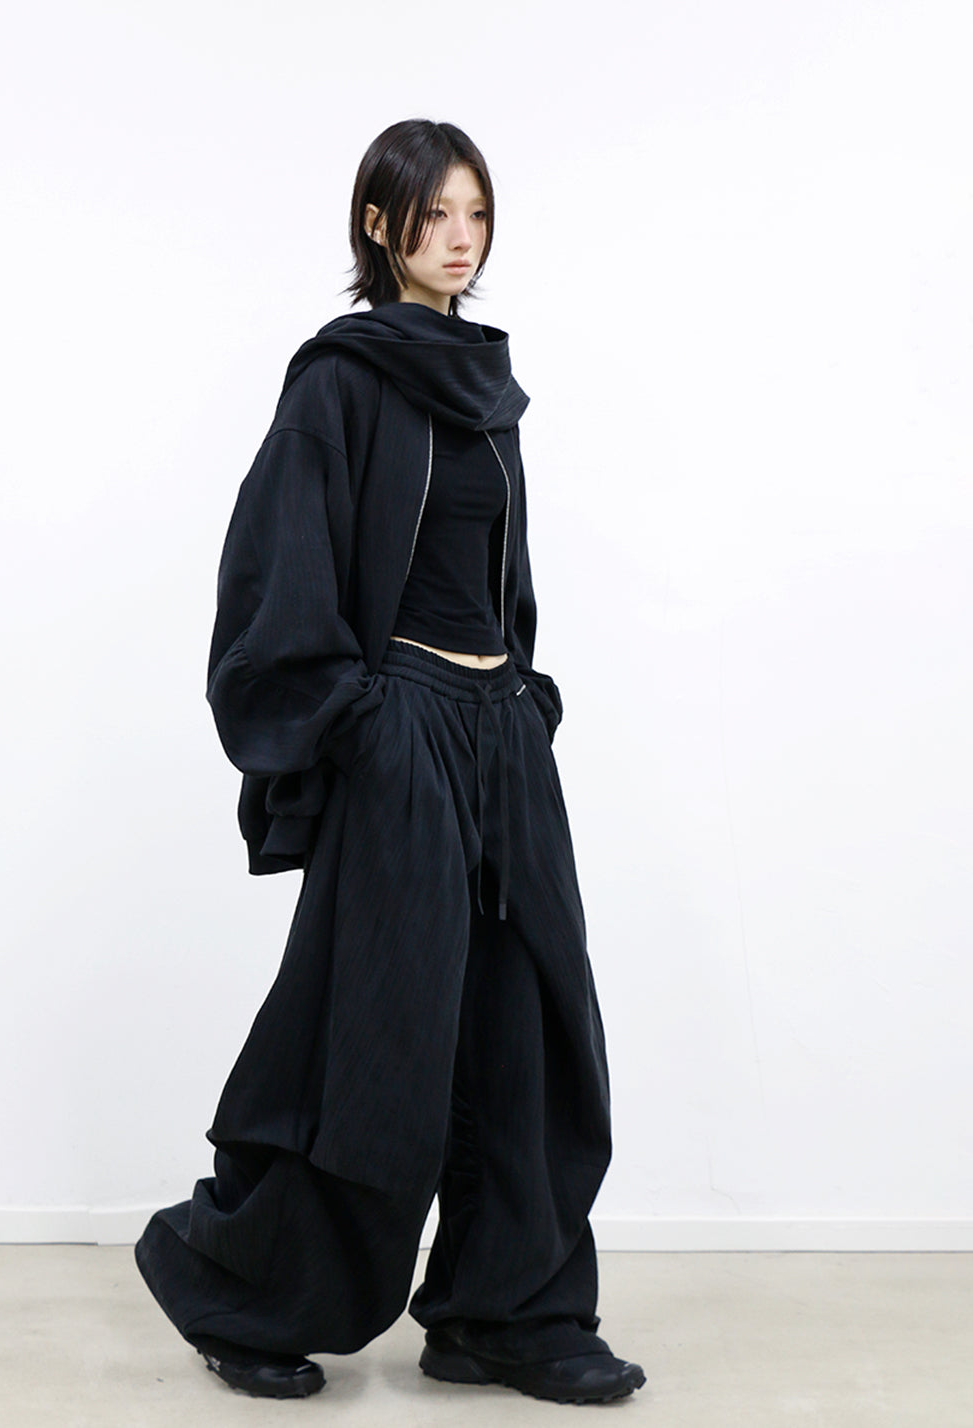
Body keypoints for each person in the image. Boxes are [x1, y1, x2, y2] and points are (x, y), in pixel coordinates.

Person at [134, 117, 647, 1406]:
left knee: (535, 1024)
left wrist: (524, 699)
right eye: (435, 214)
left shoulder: (489, 385)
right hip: (402, 729)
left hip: (500, 734)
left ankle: (505, 1314)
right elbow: (277, 568)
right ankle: (249, 1292)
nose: (460, 239)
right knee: (375, 1037)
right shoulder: (341, 380)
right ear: (379, 224)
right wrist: (359, 720)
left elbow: (497, 572)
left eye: (477, 213)